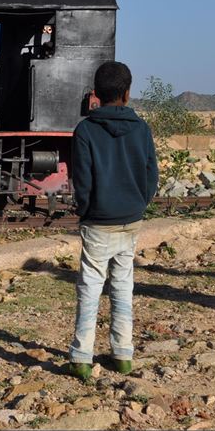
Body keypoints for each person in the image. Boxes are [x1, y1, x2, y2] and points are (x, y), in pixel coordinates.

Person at [67, 60, 158, 381]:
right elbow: (151, 177)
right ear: (128, 94)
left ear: (96, 95)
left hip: (97, 222)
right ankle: (123, 354)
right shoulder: (142, 129)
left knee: (90, 286)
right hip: (130, 220)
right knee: (122, 285)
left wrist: (88, 210)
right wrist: (137, 204)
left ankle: (81, 356)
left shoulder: (85, 131)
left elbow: (82, 181)